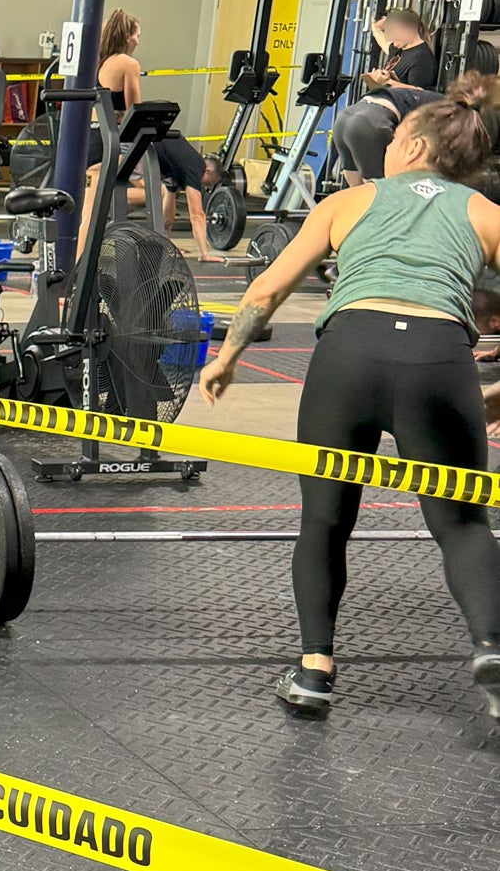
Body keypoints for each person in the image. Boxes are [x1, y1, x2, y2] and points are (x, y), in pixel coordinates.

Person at [198, 72, 500, 719]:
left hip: (349, 356)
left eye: (393, 140)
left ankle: (314, 671)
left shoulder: (347, 203)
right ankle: (491, 648)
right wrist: (492, 394)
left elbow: (263, 293)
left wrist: (226, 359)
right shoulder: (485, 214)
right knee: (463, 524)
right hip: (437, 363)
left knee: (326, 520)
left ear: (414, 148)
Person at [93, 9, 223, 263]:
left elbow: (170, 213)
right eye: (138, 35)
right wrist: (205, 254)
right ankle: (110, 208)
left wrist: (170, 240)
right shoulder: (128, 64)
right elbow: (135, 109)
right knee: (155, 193)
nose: (139, 41)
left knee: (164, 192)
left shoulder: (103, 61)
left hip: (98, 133)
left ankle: (160, 244)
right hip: (118, 138)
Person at [335, 9, 443, 182]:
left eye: (395, 35)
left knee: (375, 183)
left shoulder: (422, 58)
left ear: (409, 30)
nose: (392, 41)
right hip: (364, 111)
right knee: (356, 177)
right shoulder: (399, 49)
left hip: (388, 118)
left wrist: (388, 83)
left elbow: (417, 92)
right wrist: (375, 25)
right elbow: (381, 39)